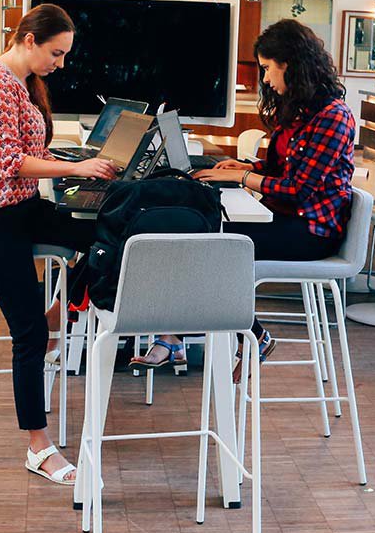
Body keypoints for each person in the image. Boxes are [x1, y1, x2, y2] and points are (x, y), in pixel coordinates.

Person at [0, 3, 118, 487]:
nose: (60, 63)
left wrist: (72, 160)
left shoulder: (20, 83)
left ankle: (60, 311)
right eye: (56, 53)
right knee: (28, 337)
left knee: (108, 234)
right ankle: (38, 447)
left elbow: (30, 153)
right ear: (28, 40)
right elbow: (10, 165)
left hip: (20, 209)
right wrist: (77, 168)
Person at [133, 19, 356, 379]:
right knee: (198, 227)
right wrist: (246, 165)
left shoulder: (333, 117)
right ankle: (180, 334)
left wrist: (239, 177)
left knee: (212, 244)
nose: (265, 79)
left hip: (311, 231)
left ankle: (249, 335)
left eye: (268, 68)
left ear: (291, 64)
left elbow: (297, 188)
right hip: (283, 217)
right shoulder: (298, 110)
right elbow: (278, 168)